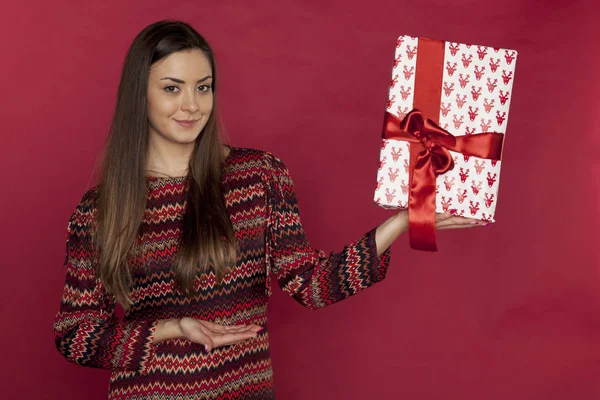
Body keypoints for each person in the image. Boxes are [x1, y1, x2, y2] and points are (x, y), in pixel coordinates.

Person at [53, 19, 484, 400]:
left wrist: (399, 223)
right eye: (171, 88)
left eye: (203, 87)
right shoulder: (100, 211)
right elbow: (75, 336)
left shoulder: (258, 175)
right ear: (139, 95)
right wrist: (170, 327)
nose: (191, 105)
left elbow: (311, 286)